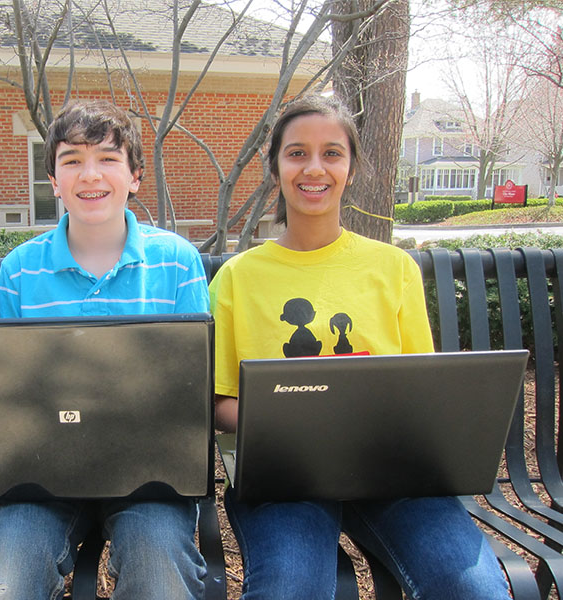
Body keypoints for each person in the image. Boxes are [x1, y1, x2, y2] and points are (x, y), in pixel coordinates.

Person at [208, 95, 511, 600]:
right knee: (289, 589)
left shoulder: (394, 268)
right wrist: (299, 418)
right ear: (276, 167)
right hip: (285, 480)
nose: (314, 168)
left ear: (351, 167)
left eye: (332, 153)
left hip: (391, 475)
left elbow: (423, 392)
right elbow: (219, 402)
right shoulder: (239, 278)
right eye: (297, 153)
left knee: (476, 589)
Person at [0, 100, 210, 600]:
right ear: (53, 180)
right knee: (3, 585)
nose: (89, 174)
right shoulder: (20, 269)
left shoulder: (177, 262)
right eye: (72, 160)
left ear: (136, 176)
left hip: (150, 478)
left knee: (160, 579)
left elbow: (194, 390)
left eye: (108, 158)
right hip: (42, 477)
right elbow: (6, 394)